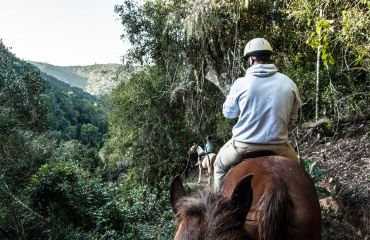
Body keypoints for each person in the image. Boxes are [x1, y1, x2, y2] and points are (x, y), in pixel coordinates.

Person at [214, 38, 301, 191]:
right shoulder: (289, 83)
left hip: (242, 146)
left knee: (219, 165)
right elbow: (293, 119)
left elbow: (228, 113)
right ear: (268, 57)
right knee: (300, 174)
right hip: (279, 147)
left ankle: (219, 207)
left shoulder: (241, 83)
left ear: (252, 58)